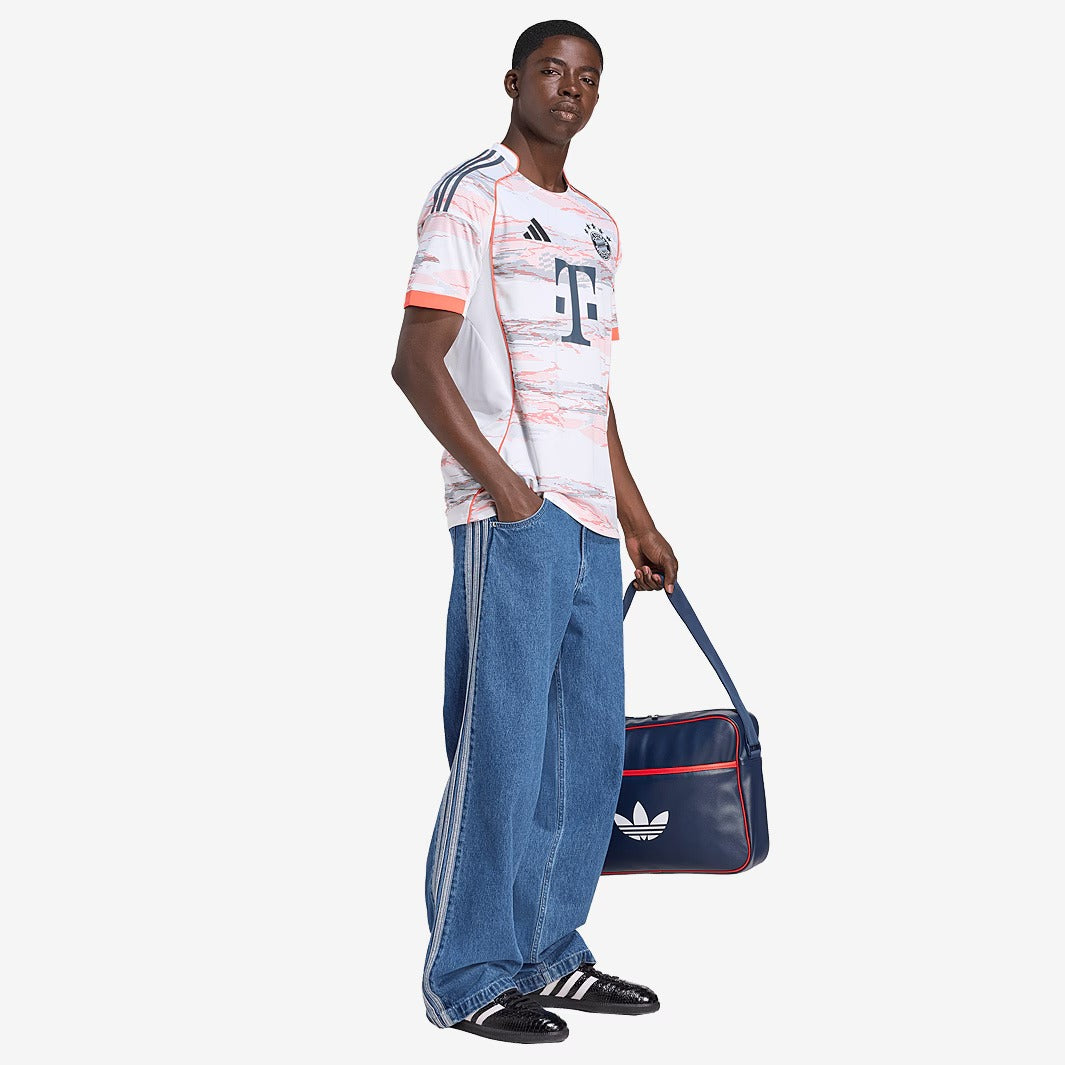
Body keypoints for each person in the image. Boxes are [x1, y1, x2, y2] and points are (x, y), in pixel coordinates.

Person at [391, 19, 679, 1045]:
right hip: (509, 516)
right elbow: (415, 360)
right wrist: (508, 490)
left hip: (592, 522)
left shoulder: (598, 223)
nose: (569, 88)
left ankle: (550, 954)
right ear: (512, 81)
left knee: (585, 752)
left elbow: (592, 389)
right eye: (551, 71)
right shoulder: (471, 195)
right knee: (503, 747)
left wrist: (637, 517)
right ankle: (466, 974)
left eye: (587, 77)